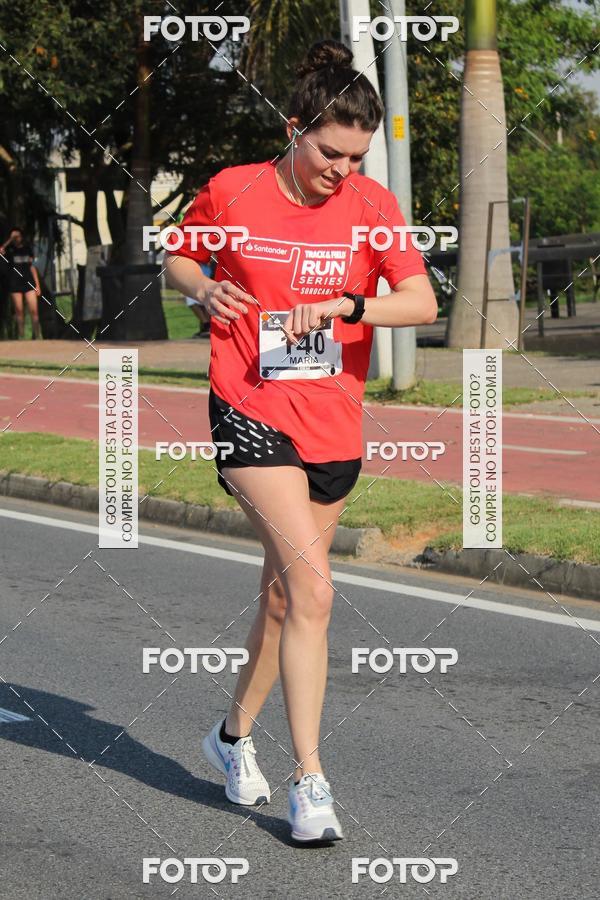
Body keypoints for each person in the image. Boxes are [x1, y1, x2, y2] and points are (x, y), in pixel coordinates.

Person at [165, 39, 437, 843]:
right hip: (248, 405)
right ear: (294, 129)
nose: (342, 171)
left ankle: (228, 740)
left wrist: (351, 308)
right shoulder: (235, 189)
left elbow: (419, 301)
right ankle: (310, 781)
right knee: (315, 590)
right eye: (330, 152)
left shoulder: (370, 206)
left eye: (357, 157)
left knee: (285, 598)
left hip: (332, 420)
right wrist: (206, 287)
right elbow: (181, 256)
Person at [0, 226, 41, 339]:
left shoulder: (27, 249)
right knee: (19, 311)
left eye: (17, 236)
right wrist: (9, 241)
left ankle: (37, 336)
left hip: (29, 283)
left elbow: (32, 267)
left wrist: (37, 285)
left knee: (34, 311)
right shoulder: (9, 251)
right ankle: (22, 336)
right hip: (15, 284)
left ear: (21, 236)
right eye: (14, 237)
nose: (16, 238)